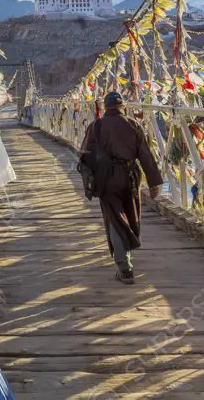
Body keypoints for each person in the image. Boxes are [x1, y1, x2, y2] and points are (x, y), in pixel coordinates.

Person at [79, 92, 162, 285]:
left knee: (115, 218)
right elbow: (146, 155)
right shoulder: (133, 125)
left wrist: (90, 179)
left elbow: (84, 154)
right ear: (122, 107)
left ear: (105, 107)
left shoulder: (96, 126)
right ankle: (127, 254)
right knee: (131, 216)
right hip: (130, 177)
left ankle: (124, 268)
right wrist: (154, 183)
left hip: (106, 179)